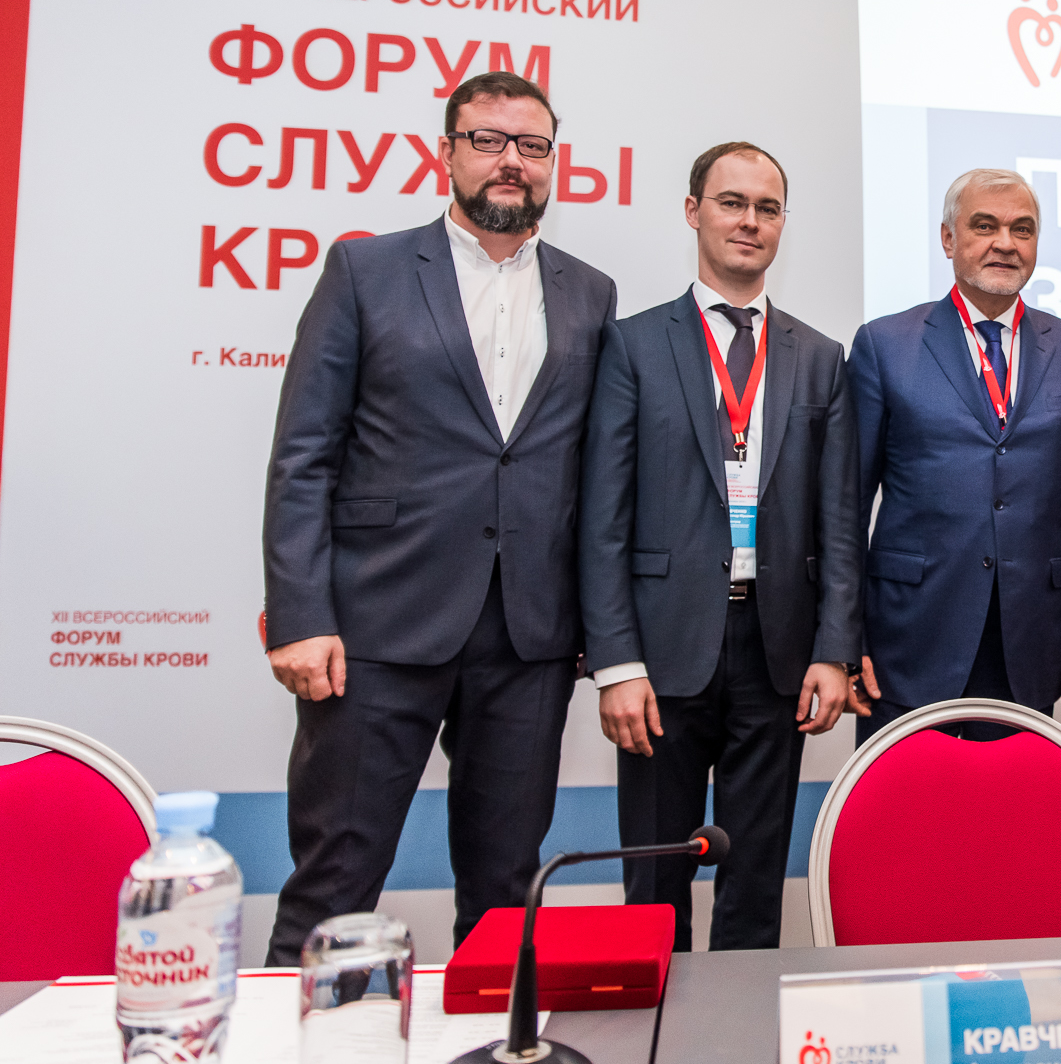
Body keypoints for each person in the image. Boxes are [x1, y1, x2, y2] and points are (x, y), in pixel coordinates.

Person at [261, 72, 617, 964]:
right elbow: (303, 454)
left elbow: (590, 474)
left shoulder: (591, 293)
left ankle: (492, 1043)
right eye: (488, 140)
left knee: (506, 889)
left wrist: (598, 630)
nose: (511, 160)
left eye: (531, 145)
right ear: (446, 153)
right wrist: (301, 615)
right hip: (377, 627)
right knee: (335, 881)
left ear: (553, 162)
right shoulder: (365, 272)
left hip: (530, 637)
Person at [578, 141, 861, 952]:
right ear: (694, 210)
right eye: (732, 202)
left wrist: (835, 650)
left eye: (767, 208)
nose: (749, 221)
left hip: (777, 651)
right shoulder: (632, 344)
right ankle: (654, 1026)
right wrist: (616, 662)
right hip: (661, 653)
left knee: (755, 881)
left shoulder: (820, 357)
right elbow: (602, 518)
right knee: (653, 884)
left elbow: (840, 521)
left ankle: (740, 1026)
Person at [847, 168, 1061, 738]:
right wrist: (845, 639)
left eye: (1022, 229)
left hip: (1033, 641)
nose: (1005, 243)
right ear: (948, 239)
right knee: (909, 797)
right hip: (908, 638)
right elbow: (844, 508)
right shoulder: (884, 345)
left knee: (1013, 797)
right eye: (984, 226)